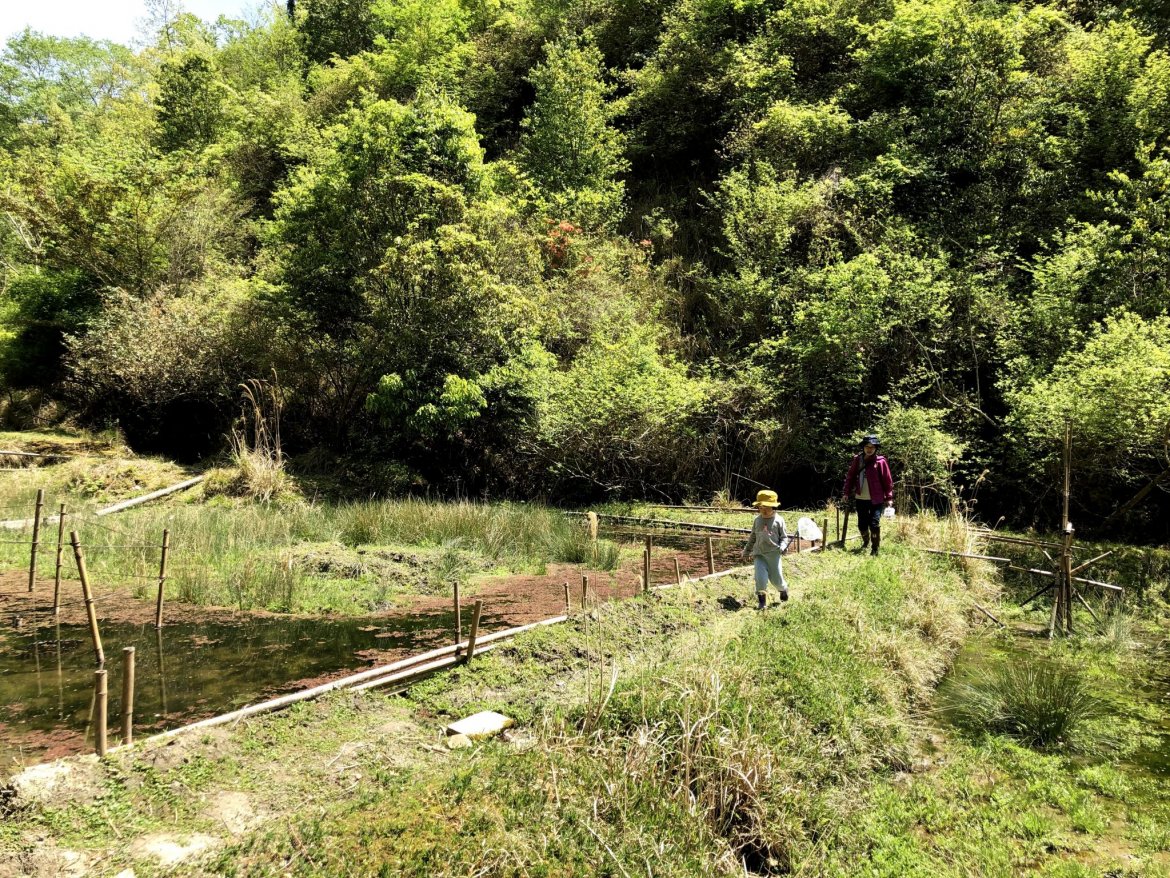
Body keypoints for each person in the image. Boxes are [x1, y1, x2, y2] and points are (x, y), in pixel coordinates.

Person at [841, 434, 894, 556]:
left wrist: (889, 497)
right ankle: (866, 542)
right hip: (860, 498)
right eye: (867, 447)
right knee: (862, 524)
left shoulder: (881, 461)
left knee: (874, 524)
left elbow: (887, 480)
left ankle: (875, 549)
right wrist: (846, 492)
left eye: (872, 447)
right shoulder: (857, 460)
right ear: (863, 447)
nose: (869, 449)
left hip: (876, 499)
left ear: (876, 448)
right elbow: (850, 477)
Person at [741, 489, 790, 609]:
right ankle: (762, 603)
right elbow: (753, 537)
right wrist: (746, 551)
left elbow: (784, 538)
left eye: (766, 507)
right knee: (760, 578)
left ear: (773, 506)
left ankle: (783, 589)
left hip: (774, 555)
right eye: (761, 507)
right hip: (759, 554)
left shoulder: (779, 520)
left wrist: (783, 546)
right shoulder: (757, 520)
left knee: (776, 579)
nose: (763, 510)